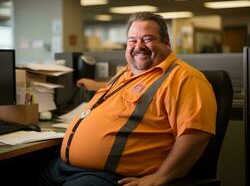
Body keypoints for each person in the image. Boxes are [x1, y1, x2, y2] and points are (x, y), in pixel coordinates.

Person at [37, 12, 217, 186]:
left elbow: (196, 136)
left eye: (147, 39)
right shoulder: (127, 73)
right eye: (132, 40)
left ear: (166, 43)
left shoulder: (185, 79)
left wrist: (160, 177)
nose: (138, 46)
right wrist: (96, 86)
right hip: (64, 167)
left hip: (110, 176)